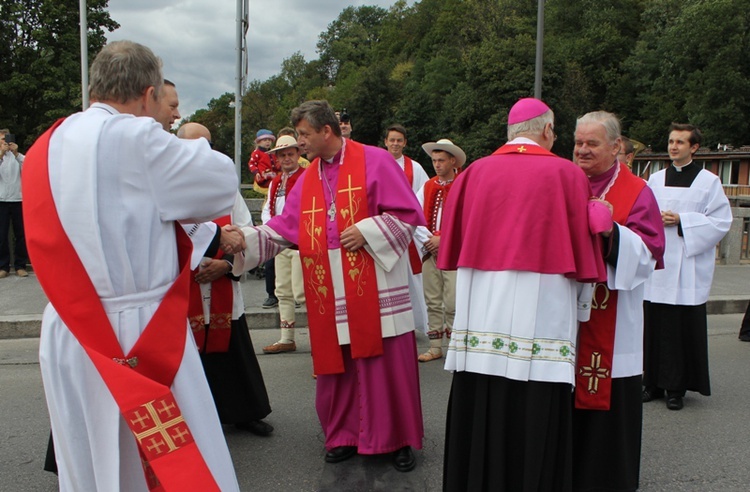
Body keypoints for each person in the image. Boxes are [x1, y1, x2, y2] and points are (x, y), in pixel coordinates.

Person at [22, 40, 241, 491]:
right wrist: (182, 138)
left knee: (89, 459)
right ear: (147, 95)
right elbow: (220, 183)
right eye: (163, 103)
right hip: (137, 330)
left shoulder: (47, 143)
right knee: (166, 459)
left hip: (71, 329)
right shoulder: (137, 137)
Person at [232, 100, 425, 472]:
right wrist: (242, 239)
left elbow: (406, 216)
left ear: (326, 131)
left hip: (377, 282)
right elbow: (285, 228)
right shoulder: (309, 177)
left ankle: (398, 439)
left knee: (387, 365)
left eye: (304, 134)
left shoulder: (377, 160)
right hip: (331, 288)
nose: (299, 142)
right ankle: (344, 435)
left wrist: (368, 230)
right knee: (341, 366)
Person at [439, 98, 607, 491]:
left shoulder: (474, 173)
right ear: (547, 130)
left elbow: (452, 242)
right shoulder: (567, 175)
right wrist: (582, 309)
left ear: (511, 132)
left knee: (483, 396)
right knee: (535, 400)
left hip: (481, 311)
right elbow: (585, 254)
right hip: (543, 311)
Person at [572, 111, 665, 492]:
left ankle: (608, 480)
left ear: (616, 147)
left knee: (605, 395)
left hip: (613, 317)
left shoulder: (637, 190)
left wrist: (613, 232)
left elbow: (651, 252)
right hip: (563, 316)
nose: (581, 150)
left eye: (591, 143)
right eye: (577, 142)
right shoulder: (563, 180)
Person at [178, 122, 273, 436]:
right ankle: (188, 419)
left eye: (205, 145)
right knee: (187, 354)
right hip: (183, 286)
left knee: (232, 351)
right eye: (192, 146)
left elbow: (245, 229)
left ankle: (243, 411)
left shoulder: (224, 185)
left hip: (222, 281)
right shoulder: (168, 186)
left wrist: (227, 265)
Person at [643, 123, 732, 410]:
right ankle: (652, 382)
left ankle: (676, 388)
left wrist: (682, 221)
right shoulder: (654, 180)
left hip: (686, 265)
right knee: (653, 324)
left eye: (680, 142)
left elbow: (721, 222)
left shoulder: (709, 182)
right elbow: (641, 213)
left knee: (679, 327)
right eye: (671, 141)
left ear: (694, 147)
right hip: (658, 265)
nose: (673, 147)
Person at [413, 138, 465, 362]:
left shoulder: (464, 185)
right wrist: (429, 240)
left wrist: (443, 240)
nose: (437, 164)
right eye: (434, 160)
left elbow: (468, 219)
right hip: (429, 252)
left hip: (454, 252)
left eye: (441, 160)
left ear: (452, 161)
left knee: (453, 301)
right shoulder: (427, 186)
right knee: (432, 300)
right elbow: (415, 216)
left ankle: (454, 345)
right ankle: (435, 346)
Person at [261, 135, 307, 354]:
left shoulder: (308, 178)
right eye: (282, 155)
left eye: (290, 153)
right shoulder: (275, 182)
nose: (287, 158)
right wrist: (271, 231)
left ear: (298, 154)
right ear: (277, 158)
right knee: (282, 291)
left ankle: (320, 340)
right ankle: (286, 337)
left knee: (303, 293)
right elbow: (268, 209)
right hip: (281, 243)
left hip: (301, 243)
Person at [384, 124, 429, 336]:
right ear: (385, 142)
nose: (395, 144)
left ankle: (418, 323)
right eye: (392, 140)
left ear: (405, 143)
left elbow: (424, 197)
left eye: (399, 140)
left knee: (414, 280)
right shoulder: (376, 164)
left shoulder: (416, 168)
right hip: (383, 230)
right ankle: (392, 325)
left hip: (409, 230)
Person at [0, 129, 28, 278]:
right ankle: (3, 266)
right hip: (2, 200)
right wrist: (1, 154)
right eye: (3, 139)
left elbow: (29, 167)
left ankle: (20, 266)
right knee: (1, 235)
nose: (6, 141)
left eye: (7, 138)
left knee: (21, 235)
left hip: (18, 200)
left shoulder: (18, 157)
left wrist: (16, 153)